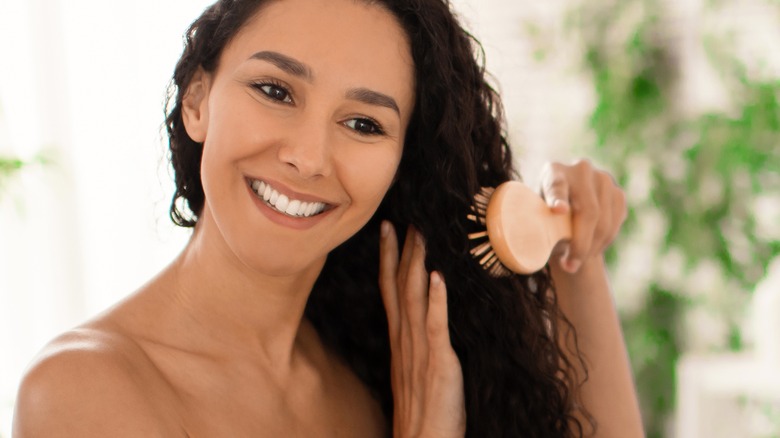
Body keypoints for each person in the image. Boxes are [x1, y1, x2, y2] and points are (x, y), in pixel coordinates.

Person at [13, 0, 644, 436]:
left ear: (400, 161)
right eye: (275, 90)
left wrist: (575, 255)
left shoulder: (382, 363)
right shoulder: (82, 391)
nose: (308, 158)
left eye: (363, 124)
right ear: (198, 100)